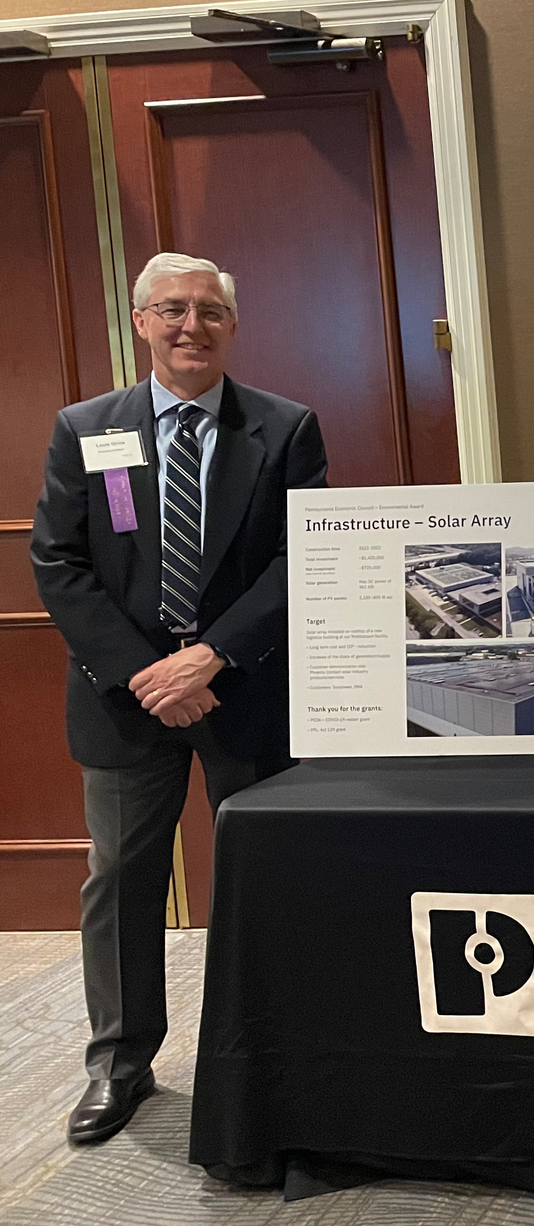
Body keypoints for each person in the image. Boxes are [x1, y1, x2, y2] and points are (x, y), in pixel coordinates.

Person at [31, 252, 328, 1145]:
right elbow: (59, 561)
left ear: (232, 325)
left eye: (207, 310)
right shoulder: (87, 428)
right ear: (141, 322)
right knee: (121, 881)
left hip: (243, 691)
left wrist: (209, 659)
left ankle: (284, 1052)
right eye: (171, 310)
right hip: (124, 700)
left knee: (267, 872)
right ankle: (119, 1065)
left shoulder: (285, 428)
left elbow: (299, 559)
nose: (189, 325)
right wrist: (144, 674)